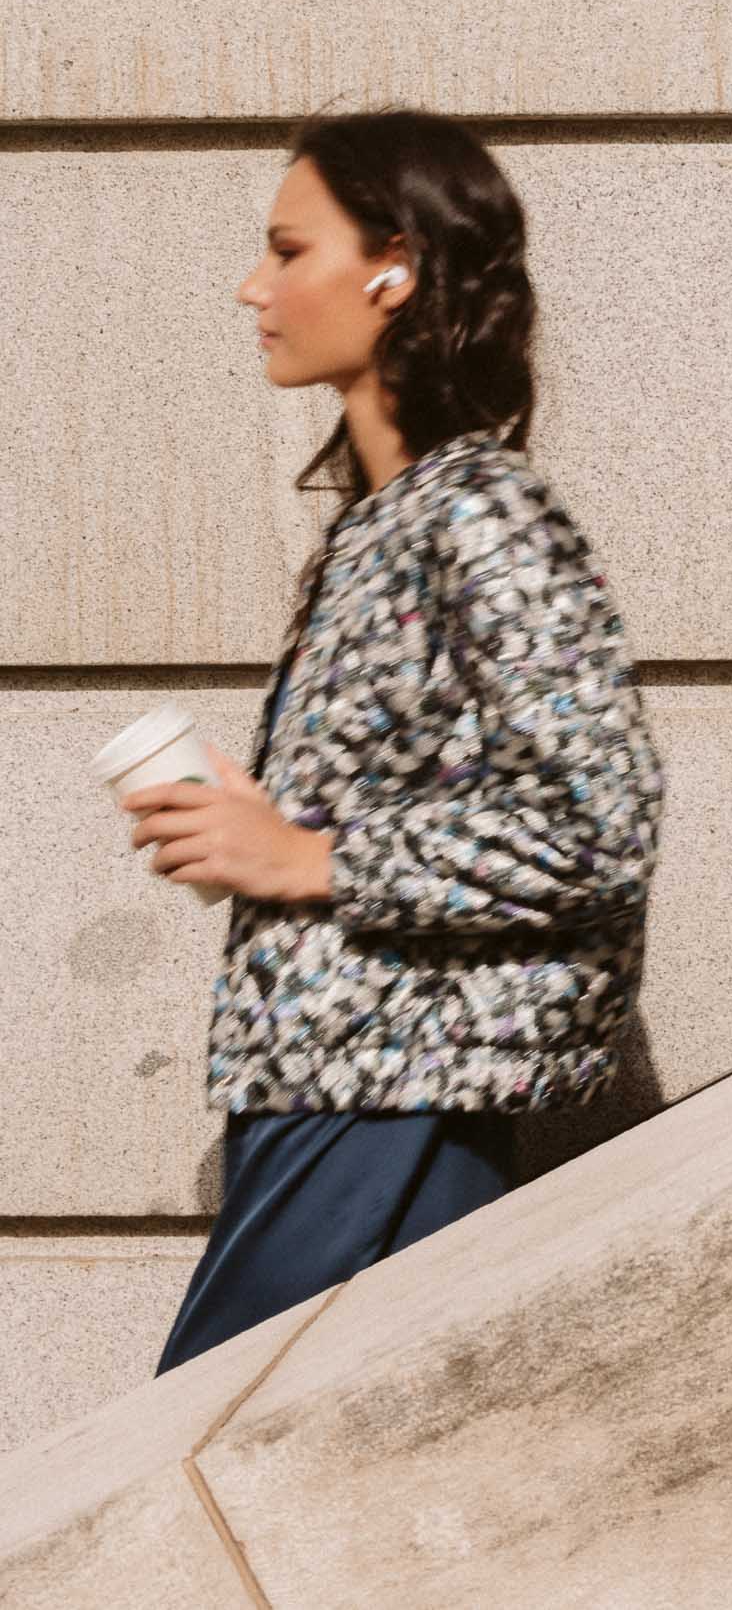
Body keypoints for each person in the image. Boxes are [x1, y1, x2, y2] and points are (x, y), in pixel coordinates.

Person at [118, 107, 665, 1373]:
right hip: (339, 1091)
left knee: (204, 1457)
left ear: (395, 269)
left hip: (394, 1099)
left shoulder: (482, 512)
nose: (253, 288)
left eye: (287, 251)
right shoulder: (386, 523)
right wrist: (260, 828)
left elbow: (598, 824)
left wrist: (312, 859)